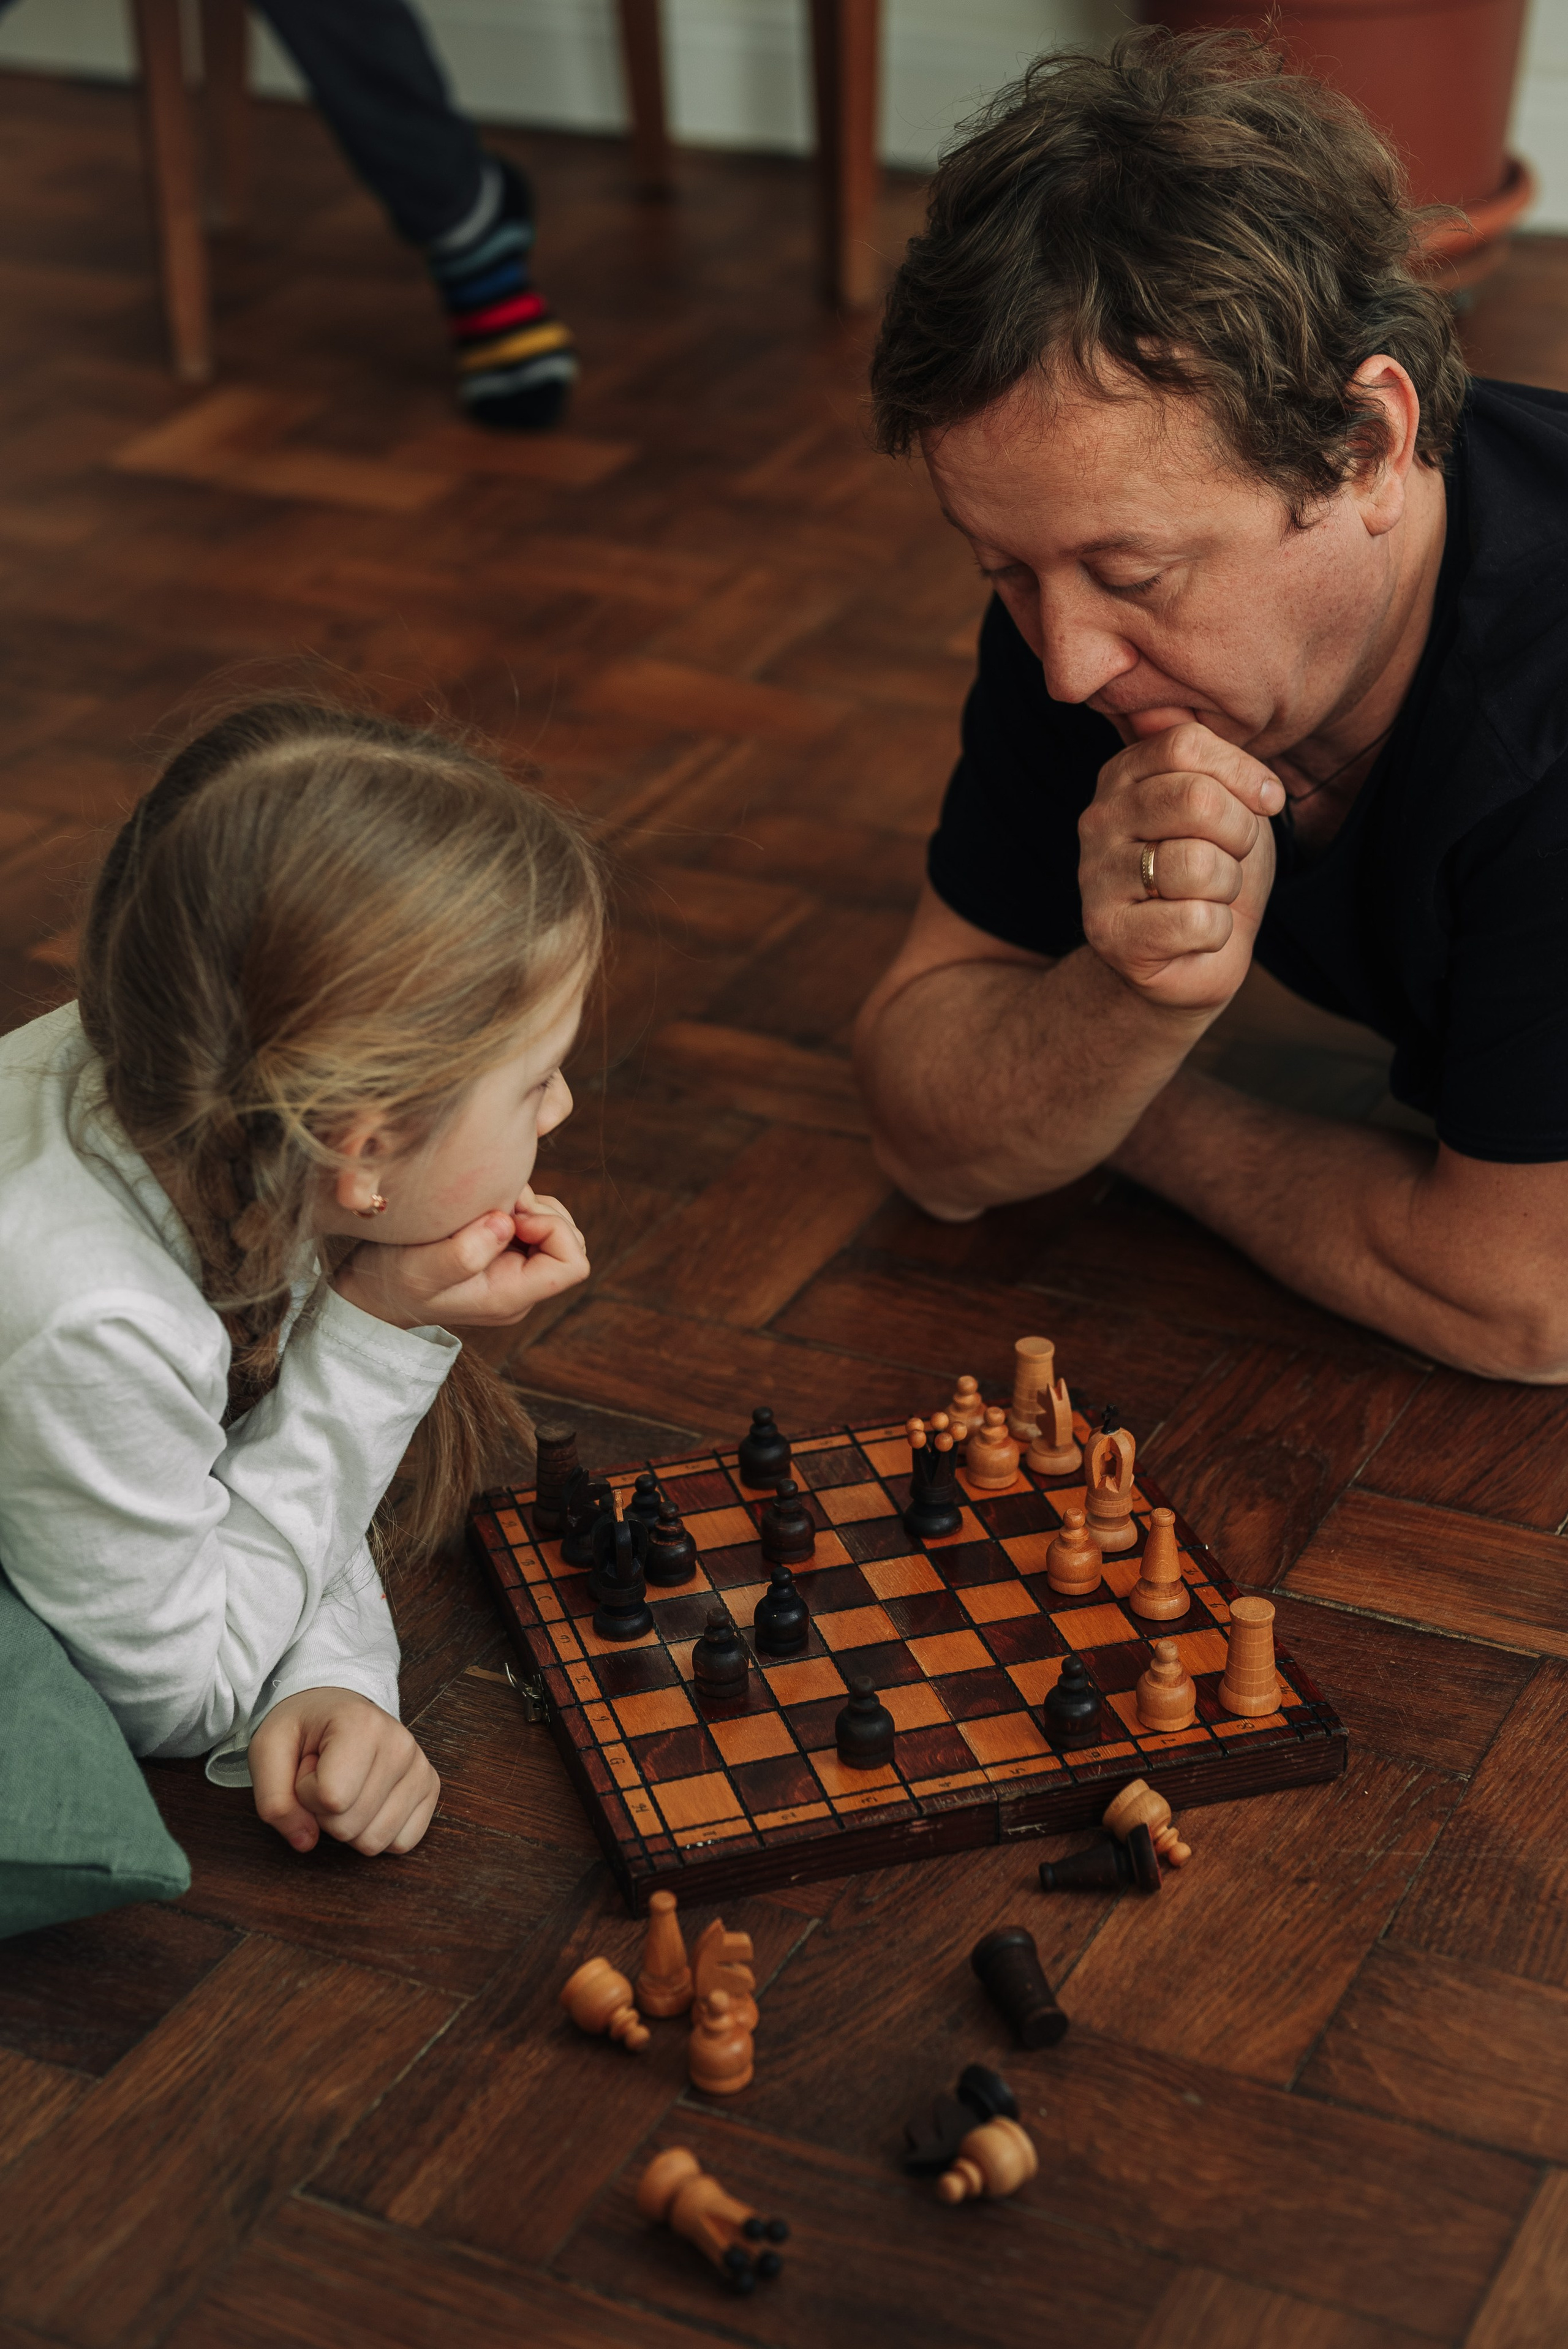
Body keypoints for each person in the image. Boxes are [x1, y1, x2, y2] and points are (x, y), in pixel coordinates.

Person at [853, 29, 1568, 1383]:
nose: (1065, 663)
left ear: (1364, 448)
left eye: (1131, 575)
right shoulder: (1086, 599)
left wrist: (1126, 1109)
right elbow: (923, 1132)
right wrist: (1132, 1001)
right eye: (1004, 571)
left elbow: (1525, 1300)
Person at [0, 702, 601, 1858]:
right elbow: (179, 1696)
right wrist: (381, 1328)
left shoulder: (221, 1088)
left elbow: (242, 1473)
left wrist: (332, 1674)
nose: (563, 1109)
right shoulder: (90, 1316)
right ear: (364, 1149)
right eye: (538, 1081)